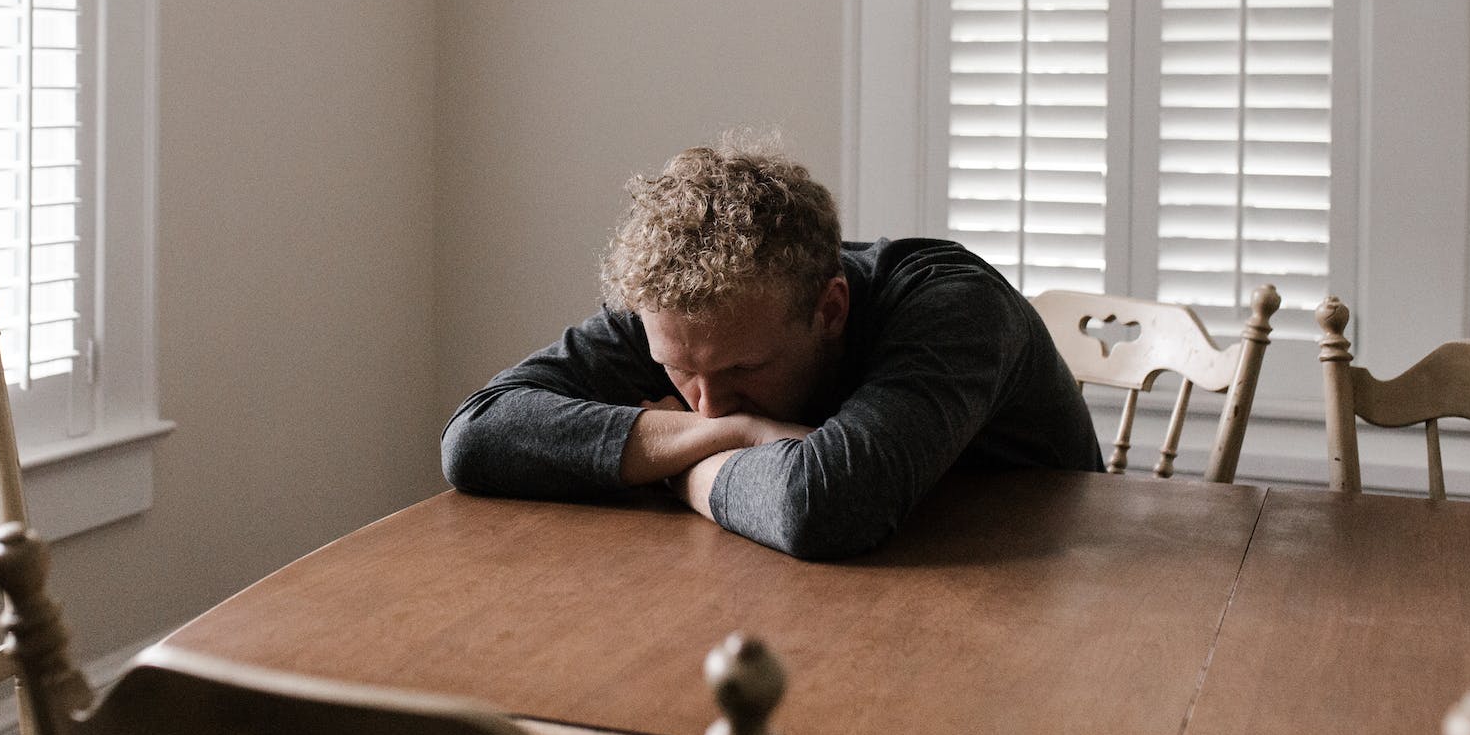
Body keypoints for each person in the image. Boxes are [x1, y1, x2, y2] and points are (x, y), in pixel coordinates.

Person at [441, 136, 1103, 560]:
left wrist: (675, 467)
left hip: (1054, 592)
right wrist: (745, 432)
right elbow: (475, 437)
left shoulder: (953, 306)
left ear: (831, 308)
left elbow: (822, 505)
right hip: (828, 585)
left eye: (744, 372)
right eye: (679, 371)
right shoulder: (684, 312)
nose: (707, 406)